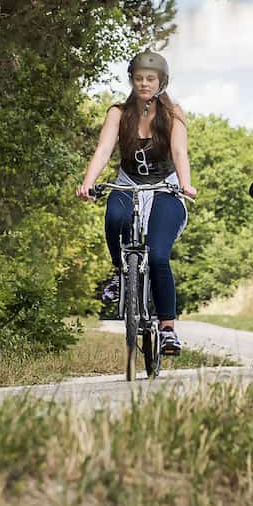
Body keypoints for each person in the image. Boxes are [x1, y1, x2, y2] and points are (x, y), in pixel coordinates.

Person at [77, 51, 197, 355]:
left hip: (163, 187)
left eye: (150, 79)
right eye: (139, 78)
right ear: (132, 80)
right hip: (127, 182)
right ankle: (120, 272)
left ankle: (168, 329)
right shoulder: (118, 113)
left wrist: (185, 183)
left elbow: (180, 152)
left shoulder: (173, 113)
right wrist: (88, 182)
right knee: (114, 216)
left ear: (161, 82)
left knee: (158, 255)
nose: (144, 84)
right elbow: (104, 149)